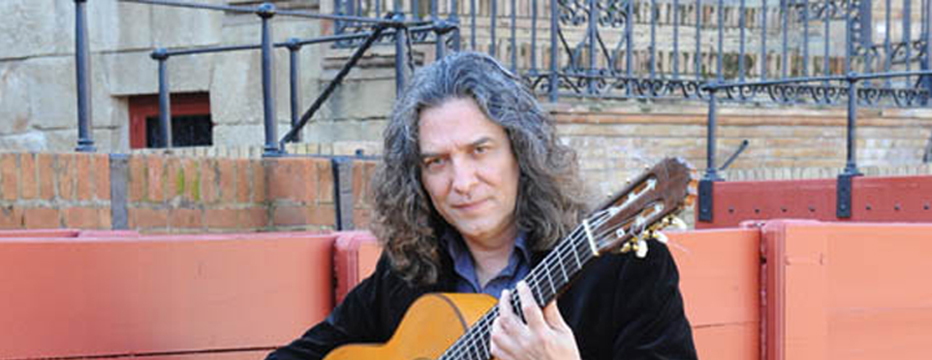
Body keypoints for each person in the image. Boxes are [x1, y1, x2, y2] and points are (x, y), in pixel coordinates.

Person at [265, 52, 697, 360]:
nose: (462, 182)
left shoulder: (628, 270)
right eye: (437, 162)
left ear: (520, 152)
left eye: (480, 150)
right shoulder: (407, 275)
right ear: (417, 178)